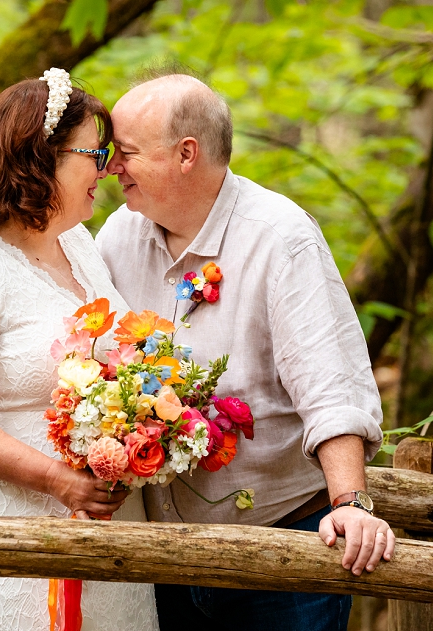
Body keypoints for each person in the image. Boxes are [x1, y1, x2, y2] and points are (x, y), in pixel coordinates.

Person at [95, 72, 394, 630]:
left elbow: (331, 384)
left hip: (282, 550)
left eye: (126, 153)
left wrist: (351, 502)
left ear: (187, 154)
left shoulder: (281, 238)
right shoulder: (117, 237)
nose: (111, 167)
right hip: (161, 556)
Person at [0, 69, 159, 631]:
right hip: (6, 538)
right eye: (95, 151)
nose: (108, 167)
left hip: (107, 541)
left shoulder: (80, 245)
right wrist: (58, 480)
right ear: (40, 156)